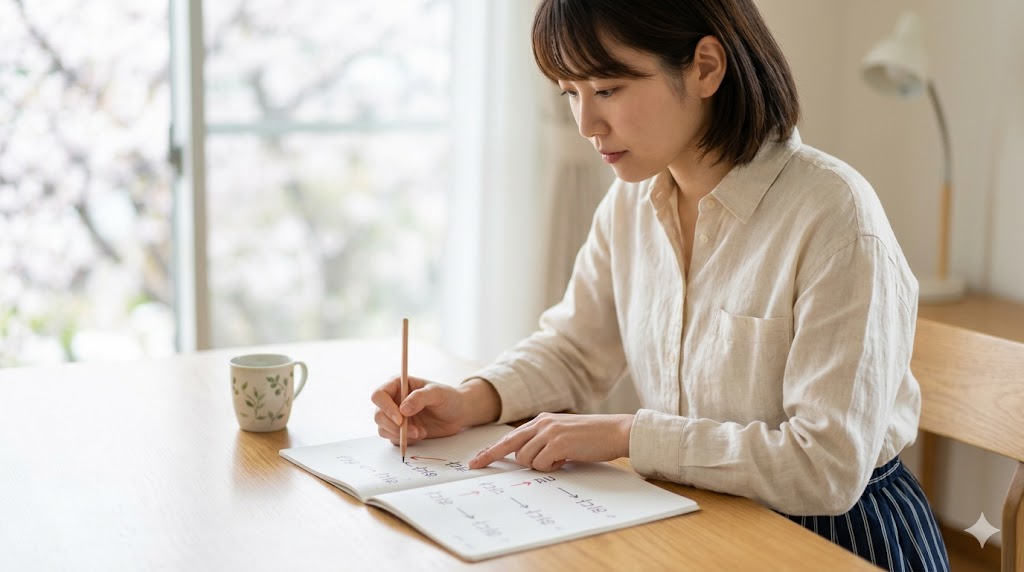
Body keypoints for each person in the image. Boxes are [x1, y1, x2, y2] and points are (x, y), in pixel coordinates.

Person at [371, 1, 949, 569]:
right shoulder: (630, 200)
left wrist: (628, 434)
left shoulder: (834, 216)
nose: (586, 124)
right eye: (569, 92)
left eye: (607, 89)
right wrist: (474, 400)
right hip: (696, 513)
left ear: (704, 67)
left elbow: (824, 467)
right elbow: (576, 348)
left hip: (834, 537)